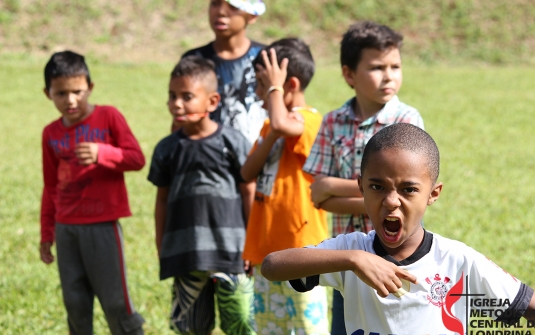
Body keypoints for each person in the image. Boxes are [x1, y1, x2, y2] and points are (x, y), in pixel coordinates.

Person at [262, 123, 535, 334]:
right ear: (361, 187)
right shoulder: (351, 251)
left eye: (409, 190)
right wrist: (354, 260)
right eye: (377, 187)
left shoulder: (456, 260)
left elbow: (528, 306)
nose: (391, 201)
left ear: (433, 193)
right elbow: (273, 265)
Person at [302, 21, 424, 333]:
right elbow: (318, 197)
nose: (389, 75)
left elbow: (408, 194)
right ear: (348, 75)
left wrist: (333, 186)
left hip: (397, 257)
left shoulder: (405, 121)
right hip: (348, 263)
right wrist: (374, 196)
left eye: (395, 66)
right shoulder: (332, 122)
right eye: (377, 67)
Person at [147, 55, 256, 335]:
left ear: (212, 102)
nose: (176, 104)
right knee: (191, 326)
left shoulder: (232, 142)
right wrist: (162, 245)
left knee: (243, 321)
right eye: (172, 96)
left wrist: (252, 242)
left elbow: (248, 191)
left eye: (186, 96)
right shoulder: (166, 149)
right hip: (186, 251)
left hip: (231, 250)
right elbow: (161, 200)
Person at [39, 51, 146, 335]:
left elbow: (136, 158)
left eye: (77, 91)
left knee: (115, 302)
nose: (70, 100)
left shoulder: (108, 116)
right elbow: (49, 186)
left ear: (90, 87)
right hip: (66, 229)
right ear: (47, 93)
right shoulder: (50, 133)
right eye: (61, 93)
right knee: (75, 302)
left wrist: (104, 153)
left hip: (102, 226)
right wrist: (46, 233)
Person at [241, 39, 330, 334]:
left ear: (287, 84)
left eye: (262, 85)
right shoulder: (271, 128)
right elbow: (247, 173)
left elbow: (282, 123)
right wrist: (268, 138)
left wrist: (273, 91)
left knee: (308, 328)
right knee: (269, 328)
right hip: (268, 253)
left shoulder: (310, 120)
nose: (257, 94)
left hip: (303, 253)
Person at [179, 0, 267, 145]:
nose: (220, 12)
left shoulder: (266, 58)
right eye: (215, 3)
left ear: (252, 16)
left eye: (233, 7)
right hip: (207, 156)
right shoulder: (194, 60)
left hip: (259, 156)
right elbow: (181, 117)